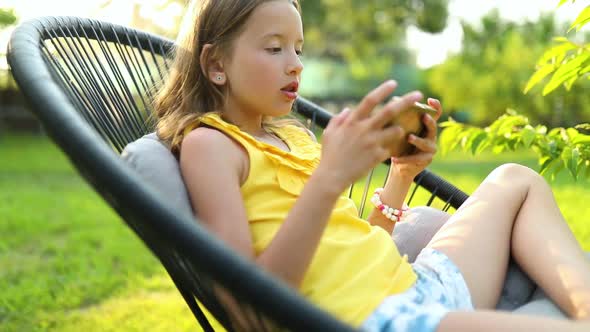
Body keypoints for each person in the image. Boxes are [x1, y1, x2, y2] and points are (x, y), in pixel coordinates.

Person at [154, 0, 590, 331]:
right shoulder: (212, 146)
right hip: (376, 318)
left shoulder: (293, 135)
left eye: (298, 48)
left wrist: (401, 174)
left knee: (516, 178)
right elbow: (250, 307)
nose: (296, 63)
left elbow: (358, 241)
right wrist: (328, 179)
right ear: (215, 65)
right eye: (274, 48)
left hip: (414, 285)